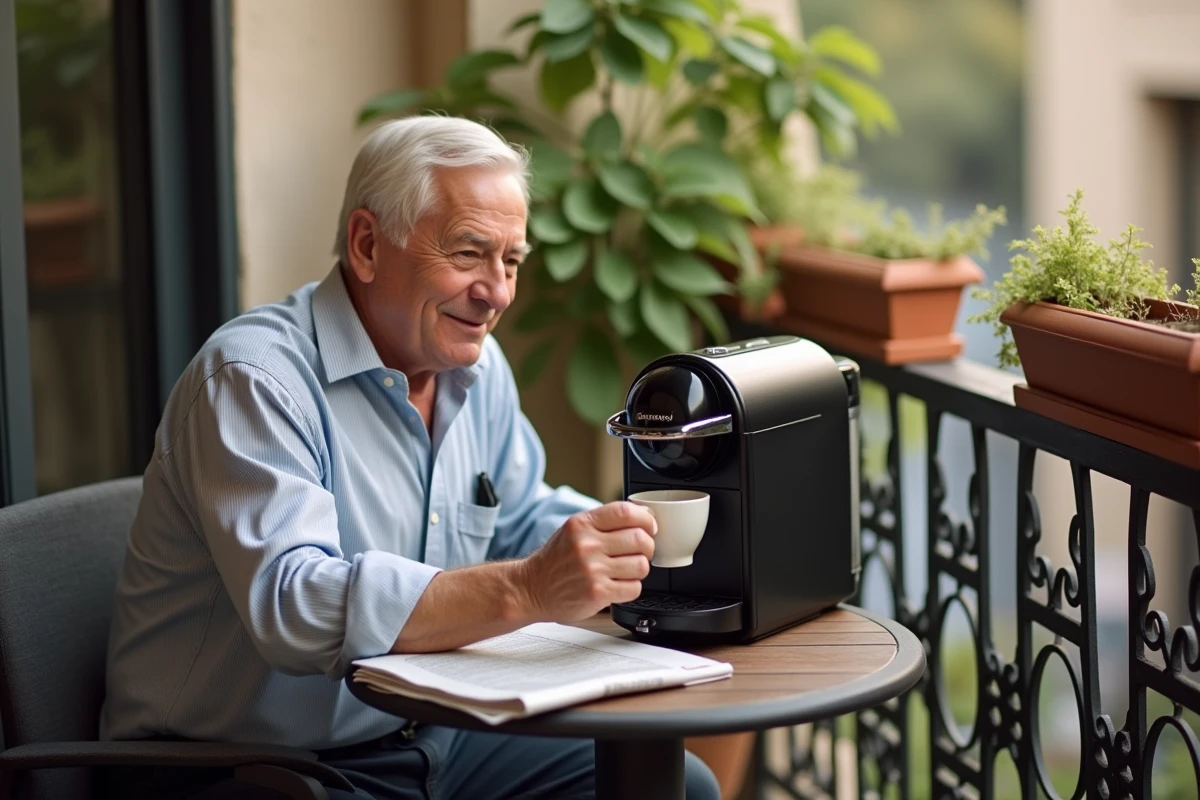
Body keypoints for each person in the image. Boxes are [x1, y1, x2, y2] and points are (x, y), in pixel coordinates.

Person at [98, 116, 722, 800]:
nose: (497, 292)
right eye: (469, 254)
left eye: (511, 261)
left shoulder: (477, 369)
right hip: (241, 767)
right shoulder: (253, 379)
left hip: (428, 731)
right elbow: (295, 606)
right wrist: (526, 589)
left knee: (675, 786)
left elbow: (520, 521)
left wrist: (644, 543)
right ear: (368, 245)